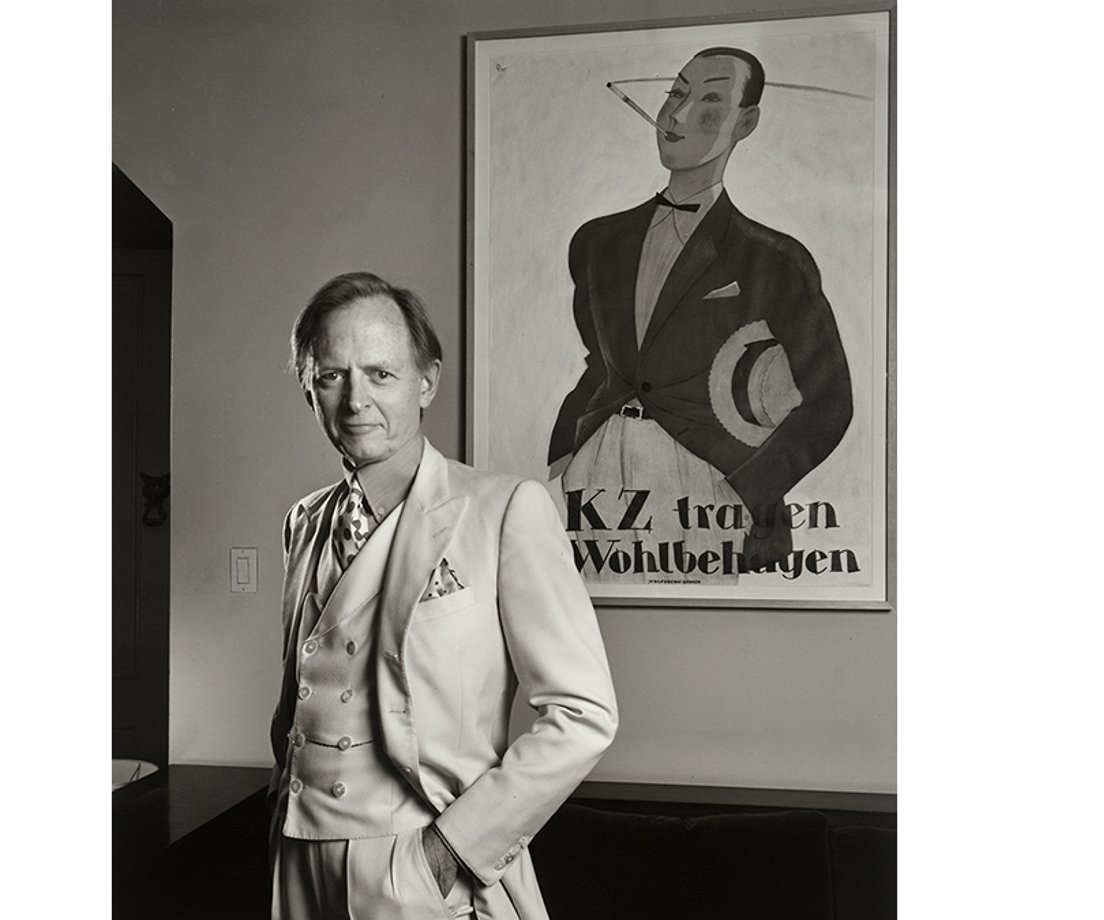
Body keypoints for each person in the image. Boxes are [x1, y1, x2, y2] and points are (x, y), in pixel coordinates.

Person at [268, 272, 618, 919]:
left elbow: (584, 714)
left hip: (416, 867)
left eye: (381, 374)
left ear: (426, 382)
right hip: (296, 859)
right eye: (332, 376)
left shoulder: (504, 511)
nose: (355, 400)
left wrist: (446, 852)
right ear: (308, 387)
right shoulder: (303, 522)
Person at [547, 47, 853, 576]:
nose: (677, 116)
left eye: (710, 101)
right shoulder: (597, 242)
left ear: (746, 123)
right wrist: (561, 460)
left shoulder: (774, 259)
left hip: (709, 487)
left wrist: (746, 487)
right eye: (676, 94)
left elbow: (828, 401)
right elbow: (605, 366)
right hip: (594, 473)